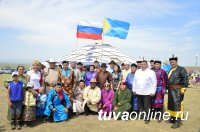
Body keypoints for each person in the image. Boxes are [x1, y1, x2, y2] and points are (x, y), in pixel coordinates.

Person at [167, 56, 189, 129]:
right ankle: (172, 118)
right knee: (171, 104)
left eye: (173, 62)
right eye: (171, 62)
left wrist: (184, 88)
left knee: (177, 105)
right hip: (170, 90)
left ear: (176, 62)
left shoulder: (181, 69)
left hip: (178, 90)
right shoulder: (171, 69)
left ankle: (177, 121)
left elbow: (185, 79)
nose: (172, 63)